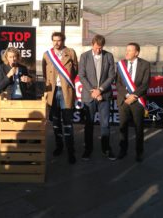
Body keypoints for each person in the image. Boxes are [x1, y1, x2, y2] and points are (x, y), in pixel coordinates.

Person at [42, 32, 78, 164]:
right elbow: (45, 73)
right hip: (52, 92)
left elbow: (75, 70)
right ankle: (59, 146)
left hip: (65, 92)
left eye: (59, 40)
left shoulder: (71, 53)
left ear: (63, 41)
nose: (56, 43)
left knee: (68, 123)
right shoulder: (47, 54)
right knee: (56, 122)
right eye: (54, 40)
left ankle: (71, 150)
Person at [79, 34, 116, 161]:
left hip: (104, 96)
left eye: (100, 48)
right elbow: (81, 76)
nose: (98, 50)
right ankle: (88, 149)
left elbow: (112, 76)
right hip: (89, 96)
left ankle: (106, 148)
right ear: (92, 45)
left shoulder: (109, 56)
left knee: (105, 124)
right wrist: (93, 91)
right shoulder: (84, 56)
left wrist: (100, 90)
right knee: (88, 124)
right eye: (96, 47)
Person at [116, 42, 150, 162]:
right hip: (123, 100)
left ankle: (139, 152)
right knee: (123, 127)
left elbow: (145, 84)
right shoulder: (121, 64)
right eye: (127, 50)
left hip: (137, 101)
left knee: (138, 128)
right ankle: (122, 150)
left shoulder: (145, 64)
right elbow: (118, 83)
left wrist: (134, 96)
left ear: (136, 53)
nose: (127, 52)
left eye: (130, 50)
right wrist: (126, 95)